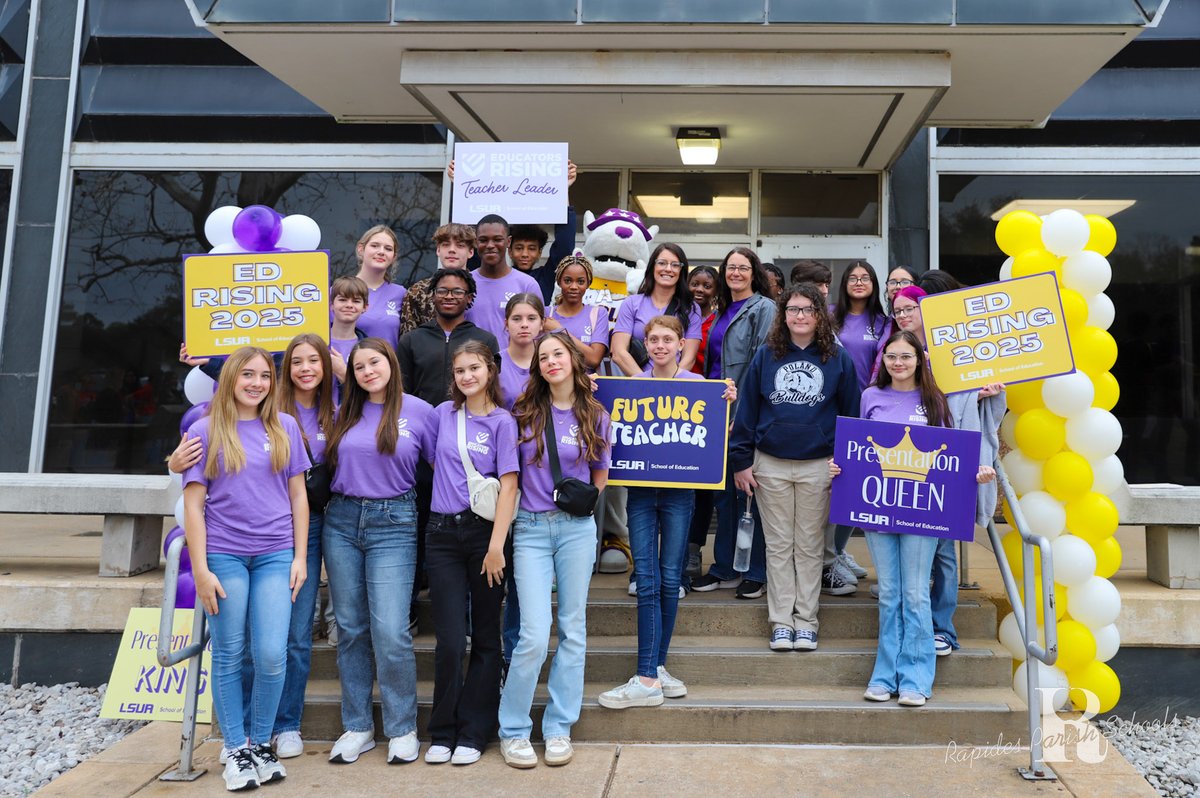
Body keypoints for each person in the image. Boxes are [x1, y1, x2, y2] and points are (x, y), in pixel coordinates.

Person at [828, 330, 992, 706]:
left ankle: (916, 679)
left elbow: (952, 455)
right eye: (891, 357)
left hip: (924, 512)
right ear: (882, 360)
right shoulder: (870, 396)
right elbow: (858, 448)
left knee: (915, 594)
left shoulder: (936, 399)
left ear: (919, 360)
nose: (898, 363)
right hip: (878, 508)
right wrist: (840, 467)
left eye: (905, 356)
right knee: (889, 594)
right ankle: (884, 676)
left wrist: (977, 472)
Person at [180, 346, 310, 791]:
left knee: (273, 655)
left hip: (275, 554)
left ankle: (259, 743)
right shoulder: (204, 430)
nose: (257, 383)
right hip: (224, 555)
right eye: (248, 375)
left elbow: (298, 496)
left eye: (265, 376)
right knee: (231, 654)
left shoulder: (285, 426)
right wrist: (200, 570)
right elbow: (193, 507)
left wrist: (299, 557)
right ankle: (235, 748)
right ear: (231, 378)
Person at [599, 315, 735, 709]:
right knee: (647, 578)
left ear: (680, 345)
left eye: (667, 339)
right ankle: (648, 670)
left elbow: (714, 438)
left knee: (671, 578)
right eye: (653, 339)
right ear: (646, 345)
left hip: (680, 496)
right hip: (641, 495)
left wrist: (727, 403)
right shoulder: (628, 387)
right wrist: (591, 391)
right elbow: (606, 429)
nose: (660, 345)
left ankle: (655, 670)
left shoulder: (700, 386)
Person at [498, 331, 610, 770]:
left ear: (573, 359)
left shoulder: (595, 414)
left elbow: (601, 471)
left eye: (557, 354)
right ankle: (513, 728)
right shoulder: (522, 413)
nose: (550, 362)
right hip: (529, 527)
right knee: (532, 634)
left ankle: (559, 726)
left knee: (573, 630)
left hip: (576, 530)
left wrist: (588, 500)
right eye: (543, 357)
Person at [322, 338, 435, 766]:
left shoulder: (420, 411)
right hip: (342, 522)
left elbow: (447, 465)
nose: (368, 371)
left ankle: (402, 727)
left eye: (375, 362)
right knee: (351, 628)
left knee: (390, 630)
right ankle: (358, 726)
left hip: (395, 521)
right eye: (359, 366)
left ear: (390, 363)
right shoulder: (342, 413)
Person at [729, 284, 859, 651]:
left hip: (819, 465)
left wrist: (844, 461)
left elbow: (851, 412)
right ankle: (781, 622)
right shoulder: (767, 355)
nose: (799, 316)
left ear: (819, 315)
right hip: (769, 463)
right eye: (792, 309)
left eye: (807, 310)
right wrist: (741, 461)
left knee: (810, 545)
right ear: (782, 315)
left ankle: (806, 621)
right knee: (778, 545)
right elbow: (748, 412)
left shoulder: (838, 358)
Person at [896, 277, 1005, 657]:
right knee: (910, 547)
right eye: (898, 311)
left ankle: (942, 628)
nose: (904, 315)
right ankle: (910, 625)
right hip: (908, 460)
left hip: (950, 457)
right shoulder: (896, 350)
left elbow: (978, 400)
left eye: (910, 308)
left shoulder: (959, 348)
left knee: (943, 551)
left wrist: (983, 393)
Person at [424, 341, 520, 766]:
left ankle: (475, 730)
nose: (467, 376)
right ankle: (441, 731)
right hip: (442, 534)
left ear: (490, 370)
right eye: (460, 370)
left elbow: (510, 485)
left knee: (485, 636)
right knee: (448, 639)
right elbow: (427, 459)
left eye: (474, 368)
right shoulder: (442, 415)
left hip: (485, 537)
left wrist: (497, 546)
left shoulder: (503, 422)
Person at [692, 248, 776, 600]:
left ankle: (754, 571)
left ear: (754, 273)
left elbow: (761, 366)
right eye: (731, 268)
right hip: (716, 411)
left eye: (743, 268)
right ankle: (724, 567)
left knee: (749, 496)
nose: (736, 273)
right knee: (723, 497)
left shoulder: (764, 308)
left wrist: (742, 417)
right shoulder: (721, 309)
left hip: (741, 413)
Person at [824, 261, 890, 588]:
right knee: (833, 483)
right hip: (833, 409)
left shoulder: (882, 322)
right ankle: (828, 556)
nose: (860, 282)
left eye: (866, 278)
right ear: (844, 283)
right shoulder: (831, 314)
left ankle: (836, 549)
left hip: (868, 412)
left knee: (856, 487)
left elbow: (887, 364)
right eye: (853, 277)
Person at [496, 292, 545, 670]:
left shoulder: (553, 362)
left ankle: (513, 659)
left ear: (542, 323)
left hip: (540, 480)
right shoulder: (494, 366)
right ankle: (493, 652)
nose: (524, 324)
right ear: (506, 323)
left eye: (531, 318)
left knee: (519, 583)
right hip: (498, 476)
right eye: (518, 318)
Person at [610, 243, 703, 377]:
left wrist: (668, 385)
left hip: (674, 389)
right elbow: (618, 352)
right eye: (662, 263)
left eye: (675, 265)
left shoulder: (691, 308)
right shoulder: (632, 303)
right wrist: (647, 383)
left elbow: (689, 358)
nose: (668, 269)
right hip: (637, 385)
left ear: (681, 271)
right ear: (653, 267)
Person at [683, 265, 720, 579]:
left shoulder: (719, 321)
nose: (700, 289)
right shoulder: (681, 315)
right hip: (676, 405)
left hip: (707, 409)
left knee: (702, 486)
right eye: (694, 283)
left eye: (707, 285)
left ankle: (694, 550)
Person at [468, 215, 542, 340]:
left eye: (497, 239)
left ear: (508, 242)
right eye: (483, 240)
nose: (490, 245)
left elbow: (539, 335)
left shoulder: (527, 285)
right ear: (476, 243)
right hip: (472, 358)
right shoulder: (465, 284)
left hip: (514, 360)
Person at [399, 223, 477, 336]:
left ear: (470, 252)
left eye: (460, 245)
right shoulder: (418, 292)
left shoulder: (482, 288)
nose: (452, 250)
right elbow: (407, 341)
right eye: (446, 245)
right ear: (438, 250)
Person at [544, 255, 609, 371]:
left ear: (588, 284)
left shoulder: (598, 313)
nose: (574, 287)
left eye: (580, 281)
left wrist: (560, 331)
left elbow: (594, 359)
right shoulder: (546, 314)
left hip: (586, 387)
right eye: (568, 281)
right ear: (559, 282)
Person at [350, 226, 405, 343]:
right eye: (374, 246)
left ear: (394, 256)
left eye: (388, 249)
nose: (381, 252)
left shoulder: (401, 294)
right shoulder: (339, 291)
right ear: (361, 249)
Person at [329, 276, 370, 398]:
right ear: (331, 305)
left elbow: (371, 393)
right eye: (342, 300)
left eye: (356, 301)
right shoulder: (315, 342)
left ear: (365, 308)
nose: (349, 305)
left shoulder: (370, 349)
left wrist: (343, 372)